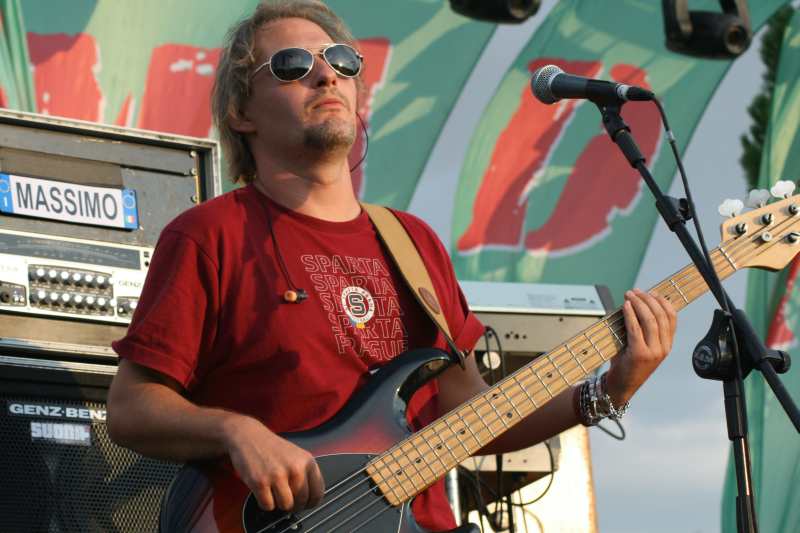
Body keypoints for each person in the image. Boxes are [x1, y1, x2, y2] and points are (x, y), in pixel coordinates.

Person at [106, 1, 677, 531]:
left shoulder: (413, 243)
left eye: (341, 61)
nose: (326, 76)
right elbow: (131, 409)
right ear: (240, 111)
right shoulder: (210, 235)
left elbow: (471, 415)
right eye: (292, 65)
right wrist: (236, 432)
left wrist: (609, 388)